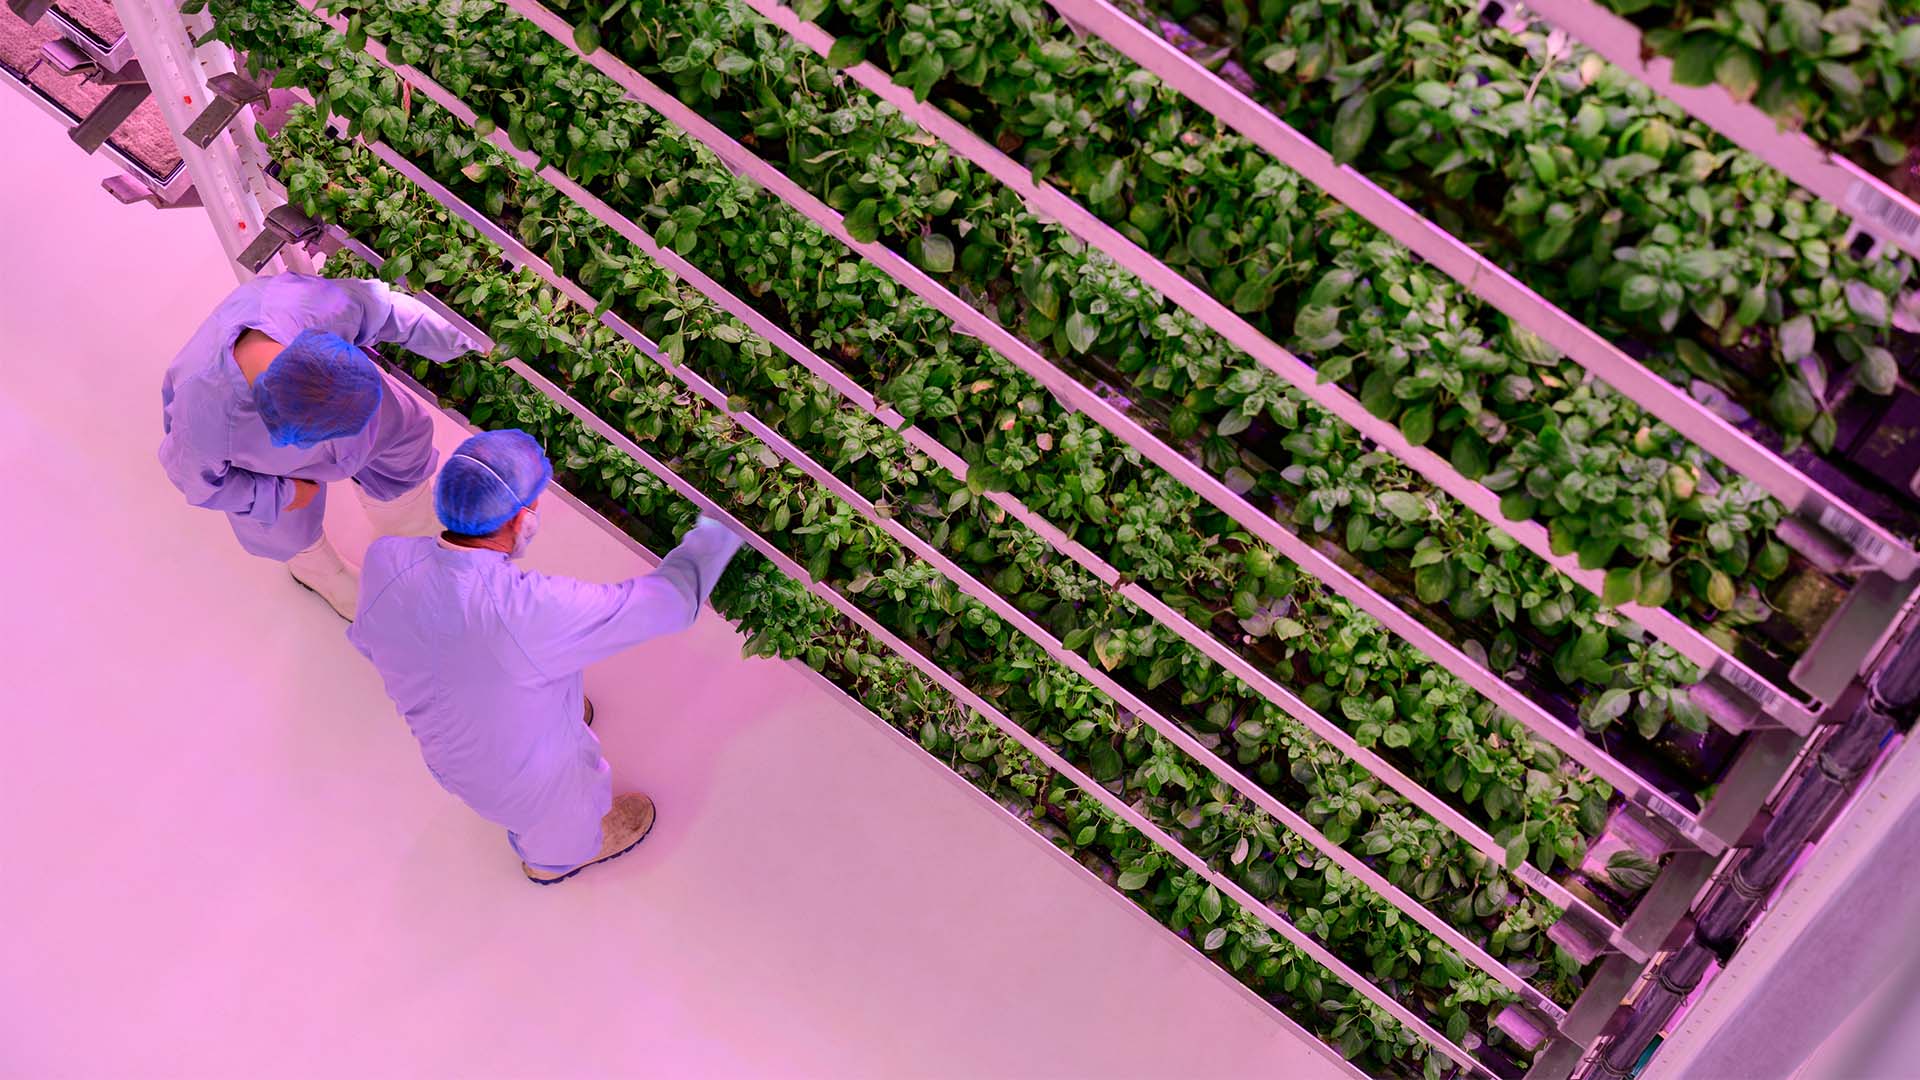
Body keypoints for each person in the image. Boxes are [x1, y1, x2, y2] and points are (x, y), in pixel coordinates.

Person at [347, 429, 745, 885]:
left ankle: (547, 714)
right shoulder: (531, 613)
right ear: (520, 519)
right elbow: (671, 601)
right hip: (526, 787)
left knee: (522, 678)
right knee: (567, 822)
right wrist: (723, 522)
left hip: (448, 750)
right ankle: (554, 861)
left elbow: (377, 641)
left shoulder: (387, 559)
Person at [158, 273, 484, 619]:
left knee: (401, 434)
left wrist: (469, 339)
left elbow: (382, 310)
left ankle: (411, 528)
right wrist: (283, 495)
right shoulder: (204, 414)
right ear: (281, 426)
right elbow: (194, 480)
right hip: (269, 468)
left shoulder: (307, 307)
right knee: (283, 524)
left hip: (343, 402)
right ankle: (320, 572)